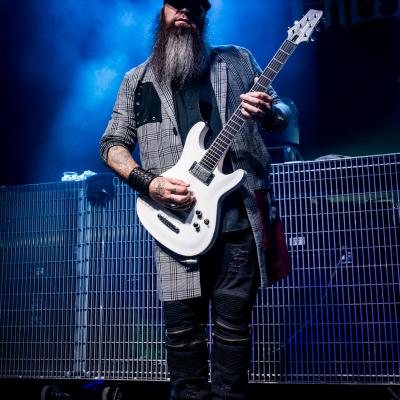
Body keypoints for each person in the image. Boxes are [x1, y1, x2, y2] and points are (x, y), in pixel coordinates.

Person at [100, 1, 291, 399]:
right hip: (177, 227)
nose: (184, 10)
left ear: (206, 13)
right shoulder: (136, 81)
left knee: (234, 335)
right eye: (176, 3)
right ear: (162, 11)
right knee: (183, 338)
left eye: (194, 3)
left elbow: (283, 111)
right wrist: (149, 183)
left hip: (238, 224)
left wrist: (269, 111)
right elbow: (112, 144)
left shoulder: (237, 60)